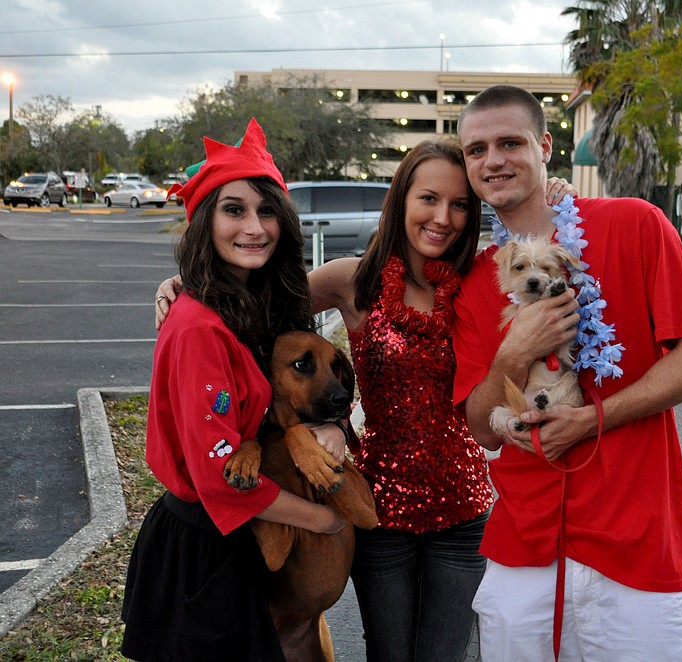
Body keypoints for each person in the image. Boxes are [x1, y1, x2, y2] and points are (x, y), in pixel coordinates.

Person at [154, 139, 575, 661]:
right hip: (382, 511)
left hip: (464, 511)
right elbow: (254, 315)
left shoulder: (484, 279)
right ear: (400, 200)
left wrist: (558, 197)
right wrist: (186, 285)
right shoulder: (352, 280)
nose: (442, 217)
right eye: (427, 198)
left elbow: (553, 258)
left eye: (460, 203)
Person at [451, 84, 682, 661]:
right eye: (476, 150)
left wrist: (591, 419)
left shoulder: (635, 224)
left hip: (635, 537)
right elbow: (481, 429)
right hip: (523, 545)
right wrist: (514, 354)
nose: (493, 159)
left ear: (546, 146)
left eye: (510, 142)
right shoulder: (478, 280)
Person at [121, 118, 346, 662]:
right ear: (204, 221)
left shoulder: (252, 305)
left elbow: (288, 395)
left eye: (267, 210)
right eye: (234, 209)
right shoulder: (199, 325)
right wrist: (322, 519)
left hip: (240, 538)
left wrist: (330, 424)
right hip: (203, 551)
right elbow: (219, 477)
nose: (255, 227)